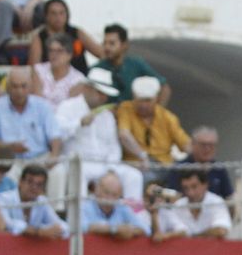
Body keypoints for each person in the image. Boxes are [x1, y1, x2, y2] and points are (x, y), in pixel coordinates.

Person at [54, 67, 143, 202]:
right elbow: (57, 135)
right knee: (79, 175)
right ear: (87, 89)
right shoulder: (67, 107)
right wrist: (79, 123)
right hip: (78, 162)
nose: (103, 97)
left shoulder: (107, 116)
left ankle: (136, 217)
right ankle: (82, 218)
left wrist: (111, 169)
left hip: (104, 165)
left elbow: (113, 147)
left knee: (134, 176)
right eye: (99, 93)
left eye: (105, 94)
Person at [0, 66, 62, 160]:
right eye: (15, 86)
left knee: (59, 172)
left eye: (23, 86)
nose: (19, 91)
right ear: (7, 87)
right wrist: (9, 147)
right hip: (7, 161)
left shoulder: (42, 106)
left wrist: (53, 158)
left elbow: (55, 136)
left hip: (40, 159)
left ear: (30, 86)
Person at [116, 75, 187, 174]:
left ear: (157, 98)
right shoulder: (126, 109)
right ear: (133, 97)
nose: (143, 105)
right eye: (139, 100)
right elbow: (124, 134)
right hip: (136, 166)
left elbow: (185, 144)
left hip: (164, 167)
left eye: (148, 101)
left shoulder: (167, 117)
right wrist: (142, 155)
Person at [93, 22, 164, 103]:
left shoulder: (136, 64)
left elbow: (163, 86)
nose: (107, 47)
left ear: (124, 45)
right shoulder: (97, 69)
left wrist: (156, 111)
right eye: (105, 43)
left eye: (112, 43)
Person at [28, 0, 99, 72]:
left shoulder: (77, 32)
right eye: (53, 13)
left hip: (81, 79)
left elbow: (99, 52)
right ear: (46, 16)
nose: (58, 17)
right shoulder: (39, 38)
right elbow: (35, 68)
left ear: (67, 15)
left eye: (61, 13)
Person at [0, 163, 67, 238]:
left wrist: (56, 230)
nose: (34, 187)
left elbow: (63, 226)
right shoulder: (4, 198)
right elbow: (7, 224)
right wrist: (39, 232)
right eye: (30, 182)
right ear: (20, 182)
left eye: (39, 184)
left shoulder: (42, 201)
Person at [80, 170, 148, 237]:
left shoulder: (122, 207)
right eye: (106, 192)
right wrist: (115, 229)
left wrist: (130, 231)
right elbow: (81, 227)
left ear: (120, 195)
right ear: (97, 190)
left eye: (114, 195)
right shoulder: (85, 206)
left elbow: (145, 229)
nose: (110, 198)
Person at [31, 31, 84, 104]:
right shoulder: (38, 70)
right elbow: (36, 101)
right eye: (51, 50)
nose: (54, 55)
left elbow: (71, 107)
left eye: (59, 51)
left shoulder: (78, 79)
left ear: (69, 55)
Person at [184, 125, 234, 200]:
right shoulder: (180, 168)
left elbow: (228, 197)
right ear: (193, 144)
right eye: (203, 145)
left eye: (211, 145)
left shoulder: (219, 168)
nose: (207, 149)